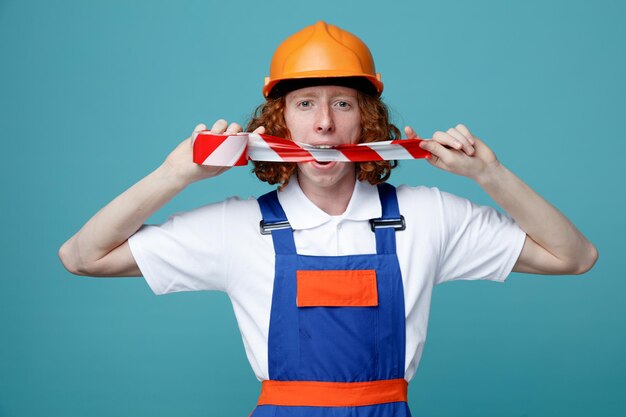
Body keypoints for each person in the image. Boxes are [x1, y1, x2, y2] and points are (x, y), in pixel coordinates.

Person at [59, 21, 597, 416]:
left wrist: (491, 175)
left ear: (368, 121)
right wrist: (173, 176)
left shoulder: (426, 215)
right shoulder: (237, 228)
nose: (322, 125)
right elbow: (82, 257)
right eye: (304, 104)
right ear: (278, 122)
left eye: (342, 104)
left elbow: (575, 257)